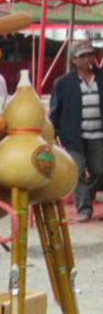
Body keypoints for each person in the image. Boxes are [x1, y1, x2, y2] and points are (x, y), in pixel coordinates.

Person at [49, 39, 103, 221]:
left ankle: (87, 195)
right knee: (77, 170)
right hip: (73, 137)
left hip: (98, 134)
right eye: (83, 56)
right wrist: (52, 134)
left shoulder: (101, 78)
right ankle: (84, 208)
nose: (87, 59)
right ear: (73, 60)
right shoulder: (62, 84)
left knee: (99, 170)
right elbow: (55, 112)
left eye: (90, 55)